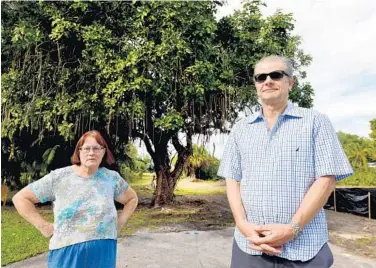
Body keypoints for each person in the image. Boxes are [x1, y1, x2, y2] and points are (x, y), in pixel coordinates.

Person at [218, 55, 353, 268]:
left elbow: (326, 179)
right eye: (261, 77)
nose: (267, 81)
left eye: (276, 75)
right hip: (250, 246)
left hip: (304, 248)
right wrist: (242, 224)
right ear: (256, 85)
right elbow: (232, 179)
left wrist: (292, 229)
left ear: (291, 82)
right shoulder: (241, 128)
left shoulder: (315, 122)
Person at [12, 130, 138, 268]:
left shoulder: (111, 178)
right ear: (79, 152)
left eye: (96, 148)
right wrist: (43, 226)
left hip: (103, 250)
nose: (91, 152)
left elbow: (131, 199)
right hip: (66, 251)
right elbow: (21, 198)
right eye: (87, 148)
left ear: (103, 152)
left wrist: (119, 224)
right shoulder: (59, 177)